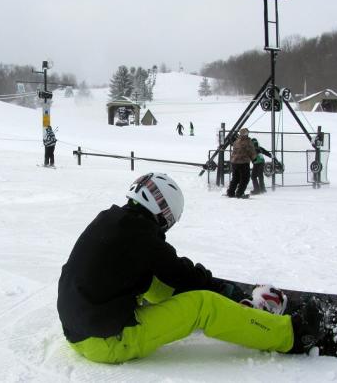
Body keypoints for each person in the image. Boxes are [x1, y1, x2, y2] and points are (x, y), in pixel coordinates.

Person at [57, 172, 323, 364]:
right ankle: (292, 336)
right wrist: (221, 291)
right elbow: (182, 274)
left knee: (153, 281)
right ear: (163, 212)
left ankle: (216, 310)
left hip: (82, 329)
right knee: (203, 305)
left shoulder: (113, 219)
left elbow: (165, 273)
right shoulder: (143, 238)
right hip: (107, 341)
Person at [226, 128, 256, 198]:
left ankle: (230, 192)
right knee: (245, 178)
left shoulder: (236, 141)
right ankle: (240, 193)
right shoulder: (248, 141)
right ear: (246, 134)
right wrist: (254, 159)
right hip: (243, 162)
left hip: (234, 162)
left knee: (235, 178)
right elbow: (251, 151)